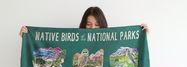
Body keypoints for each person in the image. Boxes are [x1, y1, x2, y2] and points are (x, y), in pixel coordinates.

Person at [19, 6, 149, 36]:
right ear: (83, 25)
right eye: (89, 24)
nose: (92, 28)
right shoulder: (75, 41)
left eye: (97, 25)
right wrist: (28, 35)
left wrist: (142, 33)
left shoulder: (113, 41)